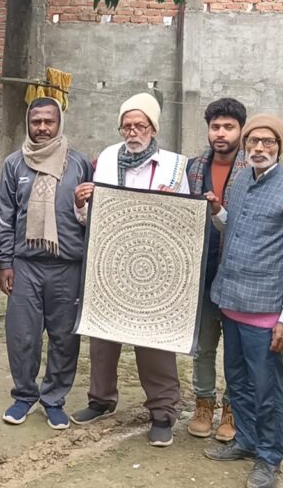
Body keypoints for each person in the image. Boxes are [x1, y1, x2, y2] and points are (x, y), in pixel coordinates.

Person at [70, 92, 189, 448]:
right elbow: (94, 215)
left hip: (155, 265)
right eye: (127, 125)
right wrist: (81, 204)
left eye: (140, 125)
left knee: (152, 339)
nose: (132, 132)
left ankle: (163, 412)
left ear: (153, 129)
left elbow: (185, 221)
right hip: (110, 260)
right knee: (103, 336)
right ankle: (101, 400)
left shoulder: (174, 165)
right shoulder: (107, 157)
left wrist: (174, 203)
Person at [202, 114, 283, 488]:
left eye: (268, 142)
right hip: (231, 302)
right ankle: (246, 440)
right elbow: (238, 226)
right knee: (237, 382)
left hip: (266, 313)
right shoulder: (240, 181)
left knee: (266, 389)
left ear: (280, 146)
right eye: (253, 142)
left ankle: (269, 456)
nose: (260, 148)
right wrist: (219, 211)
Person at [0, 97, 92, 430]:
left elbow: (90, 215)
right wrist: (5, 262)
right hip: (26, 265)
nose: (41, 128)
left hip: (68, 265)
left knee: (64, 337)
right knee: (22, 336)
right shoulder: (13, 164)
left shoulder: (79, 163)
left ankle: (54, 400)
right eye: (36, 121)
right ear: (28, 123)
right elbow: (5, 216)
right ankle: (24, 396)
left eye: (48, 122)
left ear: (59, 124)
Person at [184, 98, 248, 442]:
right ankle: (203, 404)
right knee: (203, 346)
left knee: (236, 350)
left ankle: (231, 408)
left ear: (241, 130)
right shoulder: (193, 167)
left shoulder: (252, 169)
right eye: (215, 127)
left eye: (228, 127)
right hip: (201, 271)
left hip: (237, 275)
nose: (221, 133)